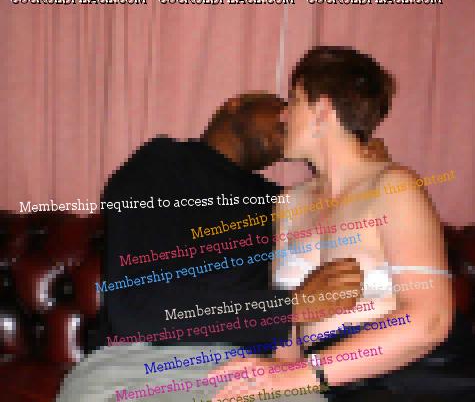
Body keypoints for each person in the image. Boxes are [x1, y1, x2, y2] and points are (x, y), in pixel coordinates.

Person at [209, 47, 475, 401]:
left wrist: (302, 375)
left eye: (294, 101)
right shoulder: (288, 205)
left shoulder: (393, 186)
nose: (283, 114)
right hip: (335, 382)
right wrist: (269, 373)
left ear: (322, 109)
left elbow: (430, 321)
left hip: (419, 374)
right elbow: (291, 333)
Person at [57, 92, 366, 402]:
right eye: (281, 108)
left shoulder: (282, 203)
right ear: (236, 104)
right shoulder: (162, 166)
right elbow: (136, 306)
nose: (288, 120)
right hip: (140, 365)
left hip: (250, 372)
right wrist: (290, 307)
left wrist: (363, 168)